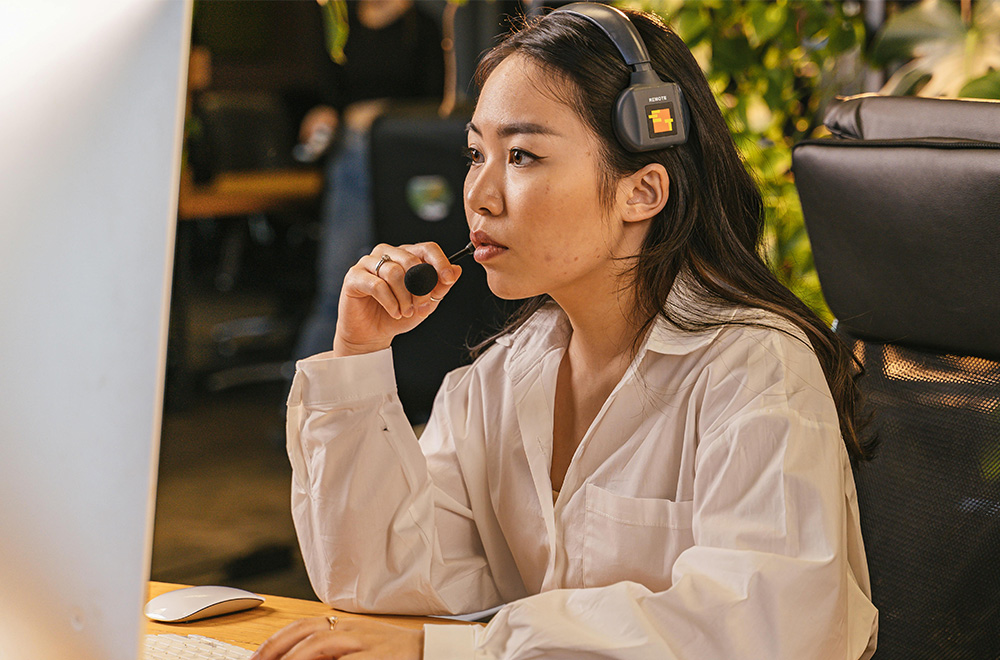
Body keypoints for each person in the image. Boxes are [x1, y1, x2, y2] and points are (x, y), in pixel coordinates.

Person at [252, 5, 878, 659]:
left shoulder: (754, 368)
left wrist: (452, 653)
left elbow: (763, 632)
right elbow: (376, 582)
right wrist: (359, 357)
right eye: (475, 154)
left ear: (643, 192)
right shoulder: (503, 375)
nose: (480, 195)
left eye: (521, 155)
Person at [293, 0, 444, 361]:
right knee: (339, 292)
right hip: (347, 152)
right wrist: (323, 113)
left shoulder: (421, 26)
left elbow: (435, 101)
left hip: (405, 157)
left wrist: (384, 112)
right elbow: (324, 91)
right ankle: (303, 402)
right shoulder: (339, 20)